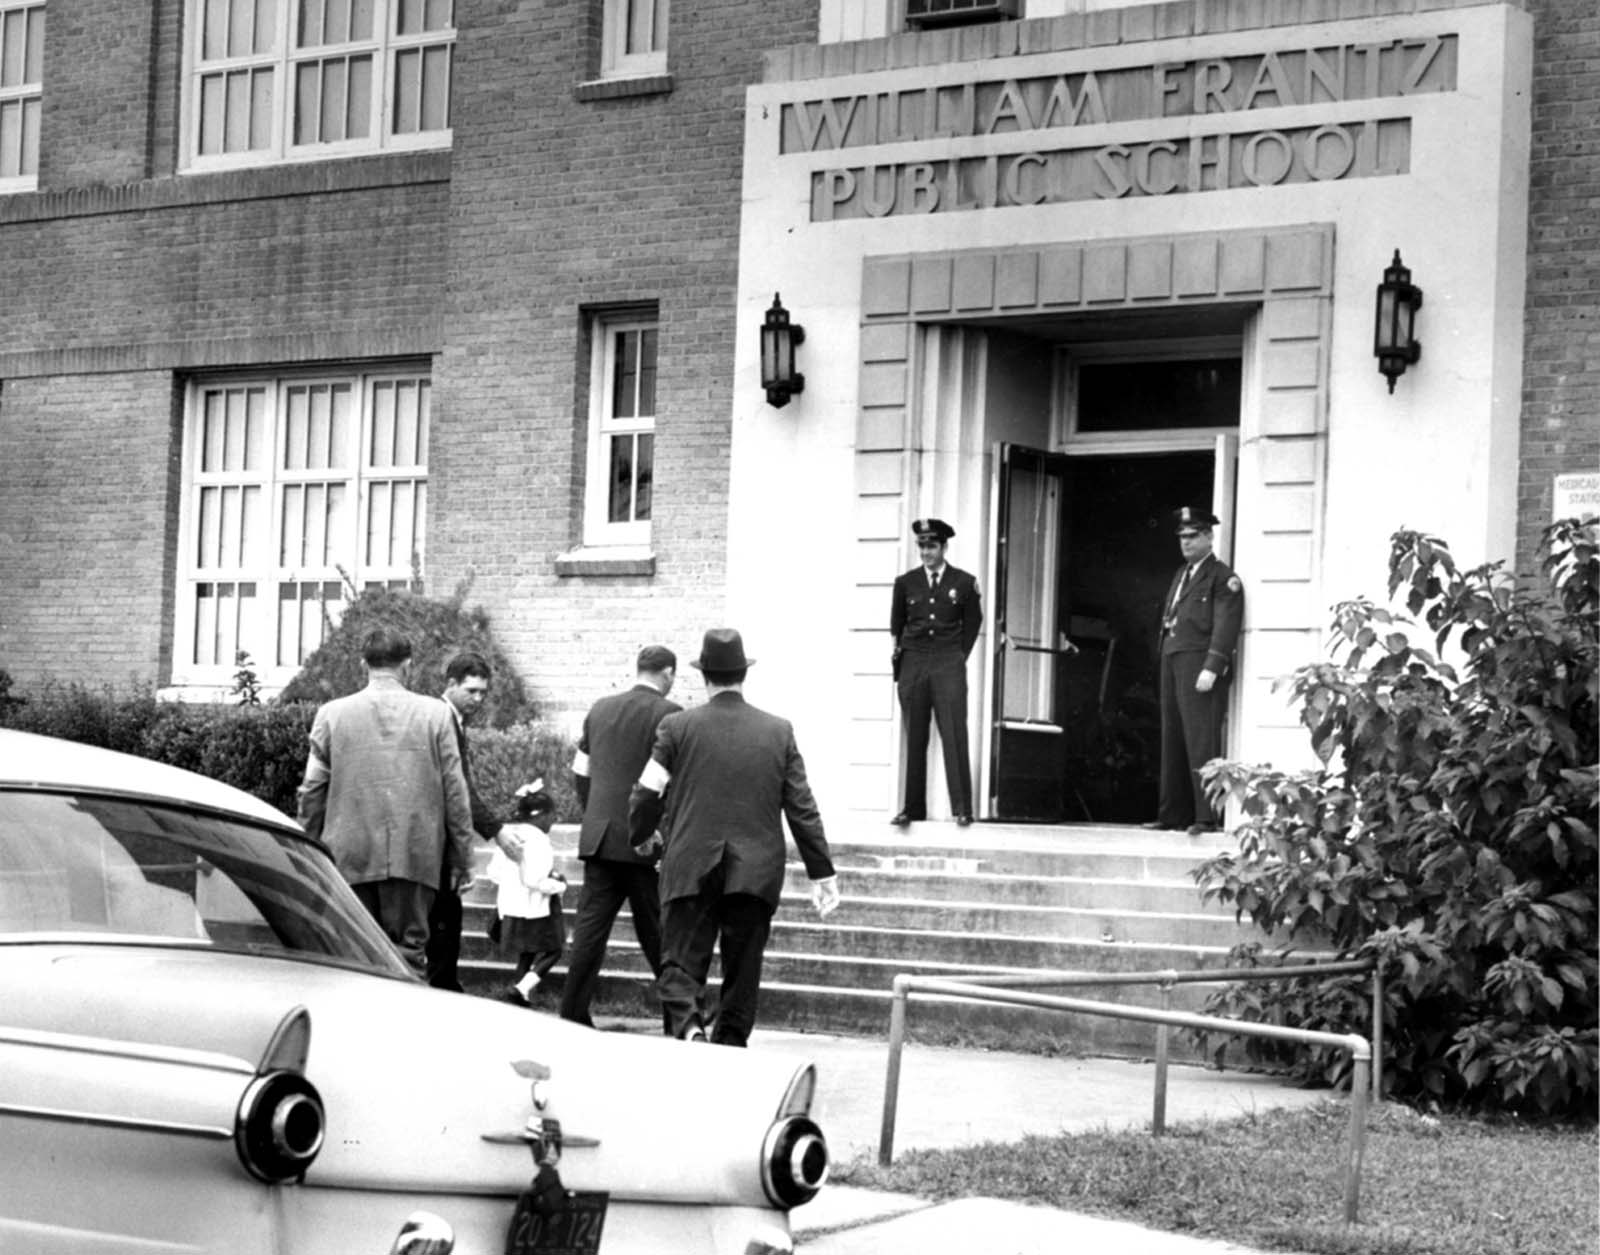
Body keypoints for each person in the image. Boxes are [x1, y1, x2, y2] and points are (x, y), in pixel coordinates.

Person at [628, 628, 840, 1045]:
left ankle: (689, 1026)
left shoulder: (676, 727)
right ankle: (730, 1046)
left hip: (690, 862)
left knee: (678, 962)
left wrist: (641, 834)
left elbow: (647, 791)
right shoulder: (778, 731)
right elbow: (801, 807)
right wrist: (822, 872)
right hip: (754, 870)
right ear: (744, 673)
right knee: (744, 971)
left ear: (704, 676)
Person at [297, 628, 476, 973]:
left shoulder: (331, 715)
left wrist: (307, 846)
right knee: (409, 954)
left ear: (363, 663)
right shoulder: (436, 715)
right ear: (407, 664)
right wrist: (461, 856)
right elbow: (455, 791)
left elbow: (312, 790)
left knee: (353, 953)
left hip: (349, 854)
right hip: (415, 854)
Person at [559, 645, 680, 1028]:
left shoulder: (601, 708)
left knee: (590, 933)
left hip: (599, 839)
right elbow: (669, 783)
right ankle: (679, 1016)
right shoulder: (671, 715)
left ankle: (572, 1013)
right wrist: (661, 831)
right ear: (668, 673)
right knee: (658, 932)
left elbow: (581, 770)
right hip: (643, 843)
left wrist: (594, 812)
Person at [426, 650, 526, 991]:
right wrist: (496, 831)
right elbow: (459, 788)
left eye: (483, 692)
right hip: (433, 841)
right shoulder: (443, 719)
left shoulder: (453, 719)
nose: (479, 699)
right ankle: (443, 990)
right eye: (471, 691)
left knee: (445, 918)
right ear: (451, 684)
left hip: (439, 840)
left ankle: (444, 987)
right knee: (444, 919)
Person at [1146, 506, 1245, 836]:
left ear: (1208, 537)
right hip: (1173, 660)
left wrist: (1212, 667)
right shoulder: (1182, 574)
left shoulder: (1222, 578)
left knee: (1201, 739)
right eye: (1182, 537)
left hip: (1198, 664)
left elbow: (1225, 626)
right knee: (1172, 736)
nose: (1185, 543)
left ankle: (1205, 816)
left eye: (1192, 536)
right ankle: (1172, 812)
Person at [889, 517, 983, 827]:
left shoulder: (964, 583)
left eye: (931, 546)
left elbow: (972, 624)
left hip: (947, 662)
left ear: (944, 547)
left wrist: (957, 656)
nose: (926, 552)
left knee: (954, 731)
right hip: (914, 661)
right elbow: (897, 625)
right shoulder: (905, 583)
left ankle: (962, 808)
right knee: (915, 734)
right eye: (922, 546)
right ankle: (912, 808)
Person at [485, 781, 566, 1005]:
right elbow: (534, 880)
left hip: (510, 907)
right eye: (552, 815)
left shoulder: (508, 835)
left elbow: (494, 873)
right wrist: (558, 884)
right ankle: (521, 987)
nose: (553, 821)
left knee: (527, 952)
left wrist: (513, 884)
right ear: (541, 816)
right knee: (554, 949)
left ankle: (519, 995)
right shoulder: (540, 841)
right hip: (534, 909)